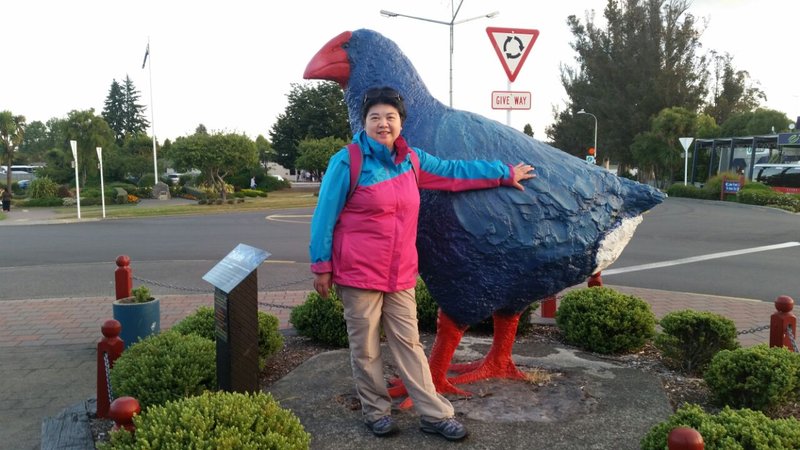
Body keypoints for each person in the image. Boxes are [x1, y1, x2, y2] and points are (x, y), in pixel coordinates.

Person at [309, 86, 535, 441]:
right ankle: (376, 412)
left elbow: (454, 173)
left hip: (400, 274)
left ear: (401, 123)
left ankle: (433, 413)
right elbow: (324, 216)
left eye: (390, 117)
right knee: (365, 348)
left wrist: (503, 173)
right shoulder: (348, 161)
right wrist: (321, 266)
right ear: (364, 122)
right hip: (358, 274)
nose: (383, 124)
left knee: (410, 345)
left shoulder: (411, 160)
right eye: (375, 117)